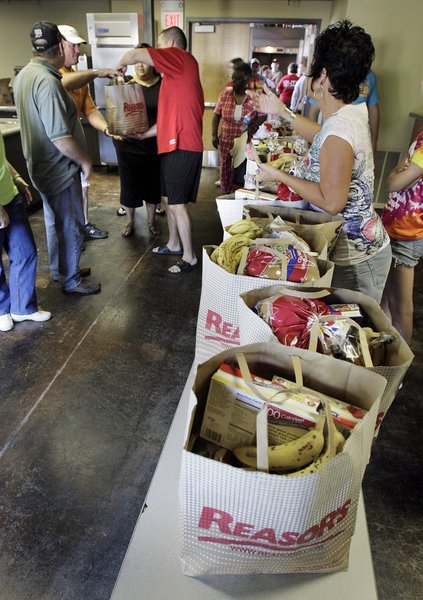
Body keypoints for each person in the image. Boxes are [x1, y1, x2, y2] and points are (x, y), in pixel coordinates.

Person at [248, 20, 391, 303]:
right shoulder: (347, 115)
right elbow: (322, 137)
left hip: (357, 258)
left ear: (322, 76)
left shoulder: (340, 129)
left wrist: (280, 176)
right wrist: (282, 111)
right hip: (356, 250)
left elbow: (331, 201)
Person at [14, 21, 101, 295]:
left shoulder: (25, 75)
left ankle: (60, 269)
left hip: (39, 166)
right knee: (71, 224)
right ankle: (71, 279)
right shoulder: (47, 83)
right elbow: (60, 138)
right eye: (71, 44)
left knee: (55, 222)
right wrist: (85, 161)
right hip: (58, 168)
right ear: (61, 46)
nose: (74, 49)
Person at [117, 26, 204, 275]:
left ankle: (189, 257)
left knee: (177, 204)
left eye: (159, 45)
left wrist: (120, 65)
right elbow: (167, 120)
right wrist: (145, 133)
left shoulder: (181, 58)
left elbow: (135, 56)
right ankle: (174, 244)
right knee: (169, 198)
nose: (156, 53)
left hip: (184, 145)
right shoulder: (173, 78)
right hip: (170, 144)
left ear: (171, 44)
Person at [57, 24, 117, 245]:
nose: (78, 51)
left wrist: (108, 129)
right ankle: (69, 241)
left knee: (82, 188)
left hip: (75, 148)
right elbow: (61, 83)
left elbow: (90, 110)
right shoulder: (53, 75)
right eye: (73, 45)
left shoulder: (77, 77)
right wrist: (96, 72)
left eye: (78, 46)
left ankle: (82, 226)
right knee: (62, 203)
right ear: (59, 46)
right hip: (59, 151)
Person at [380, 83, 423, 342]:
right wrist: (397, 173)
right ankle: (385, 355)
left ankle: (401, 367)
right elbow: (397, 173)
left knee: (402, 307)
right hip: (396, 226)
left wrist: (397, 174)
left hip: (408, 234)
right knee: (387, 299)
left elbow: (394, 181)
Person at [0, 131, 51, 332]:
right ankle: (2, 310)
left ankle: (22, 308)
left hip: (10, 197)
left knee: (25, 252)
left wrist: (17, 178)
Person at [113, 43, 162, 238]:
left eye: (144, 61)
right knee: (129, 184)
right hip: (128, 144)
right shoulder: (125, 84)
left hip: (153, 143)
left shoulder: (163, 84)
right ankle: (130, 221)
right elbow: (116, 110)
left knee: (152, 184)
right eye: (136, 62)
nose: (140, 66)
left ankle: (151, 221)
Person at [212, 63, 258, 194]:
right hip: (226, 139)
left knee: (241, 171)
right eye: (232, 78)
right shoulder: (224, 95)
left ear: (245, 80)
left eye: (236, 79)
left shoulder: (253, 97)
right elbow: (216, 115)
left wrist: (253, 126)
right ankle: (226, 196)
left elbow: (262, 115)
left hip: (245, 142)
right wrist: (214, 134)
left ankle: (240, 197)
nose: (233, 81)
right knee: (225, 169)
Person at [308, 70, 380, 153]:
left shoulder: (369, 76)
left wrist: (374, 143)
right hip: (330, 138)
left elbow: (373, 109)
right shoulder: (329, 73)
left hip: (358, 142)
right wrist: (312, 144)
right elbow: (313, 112)